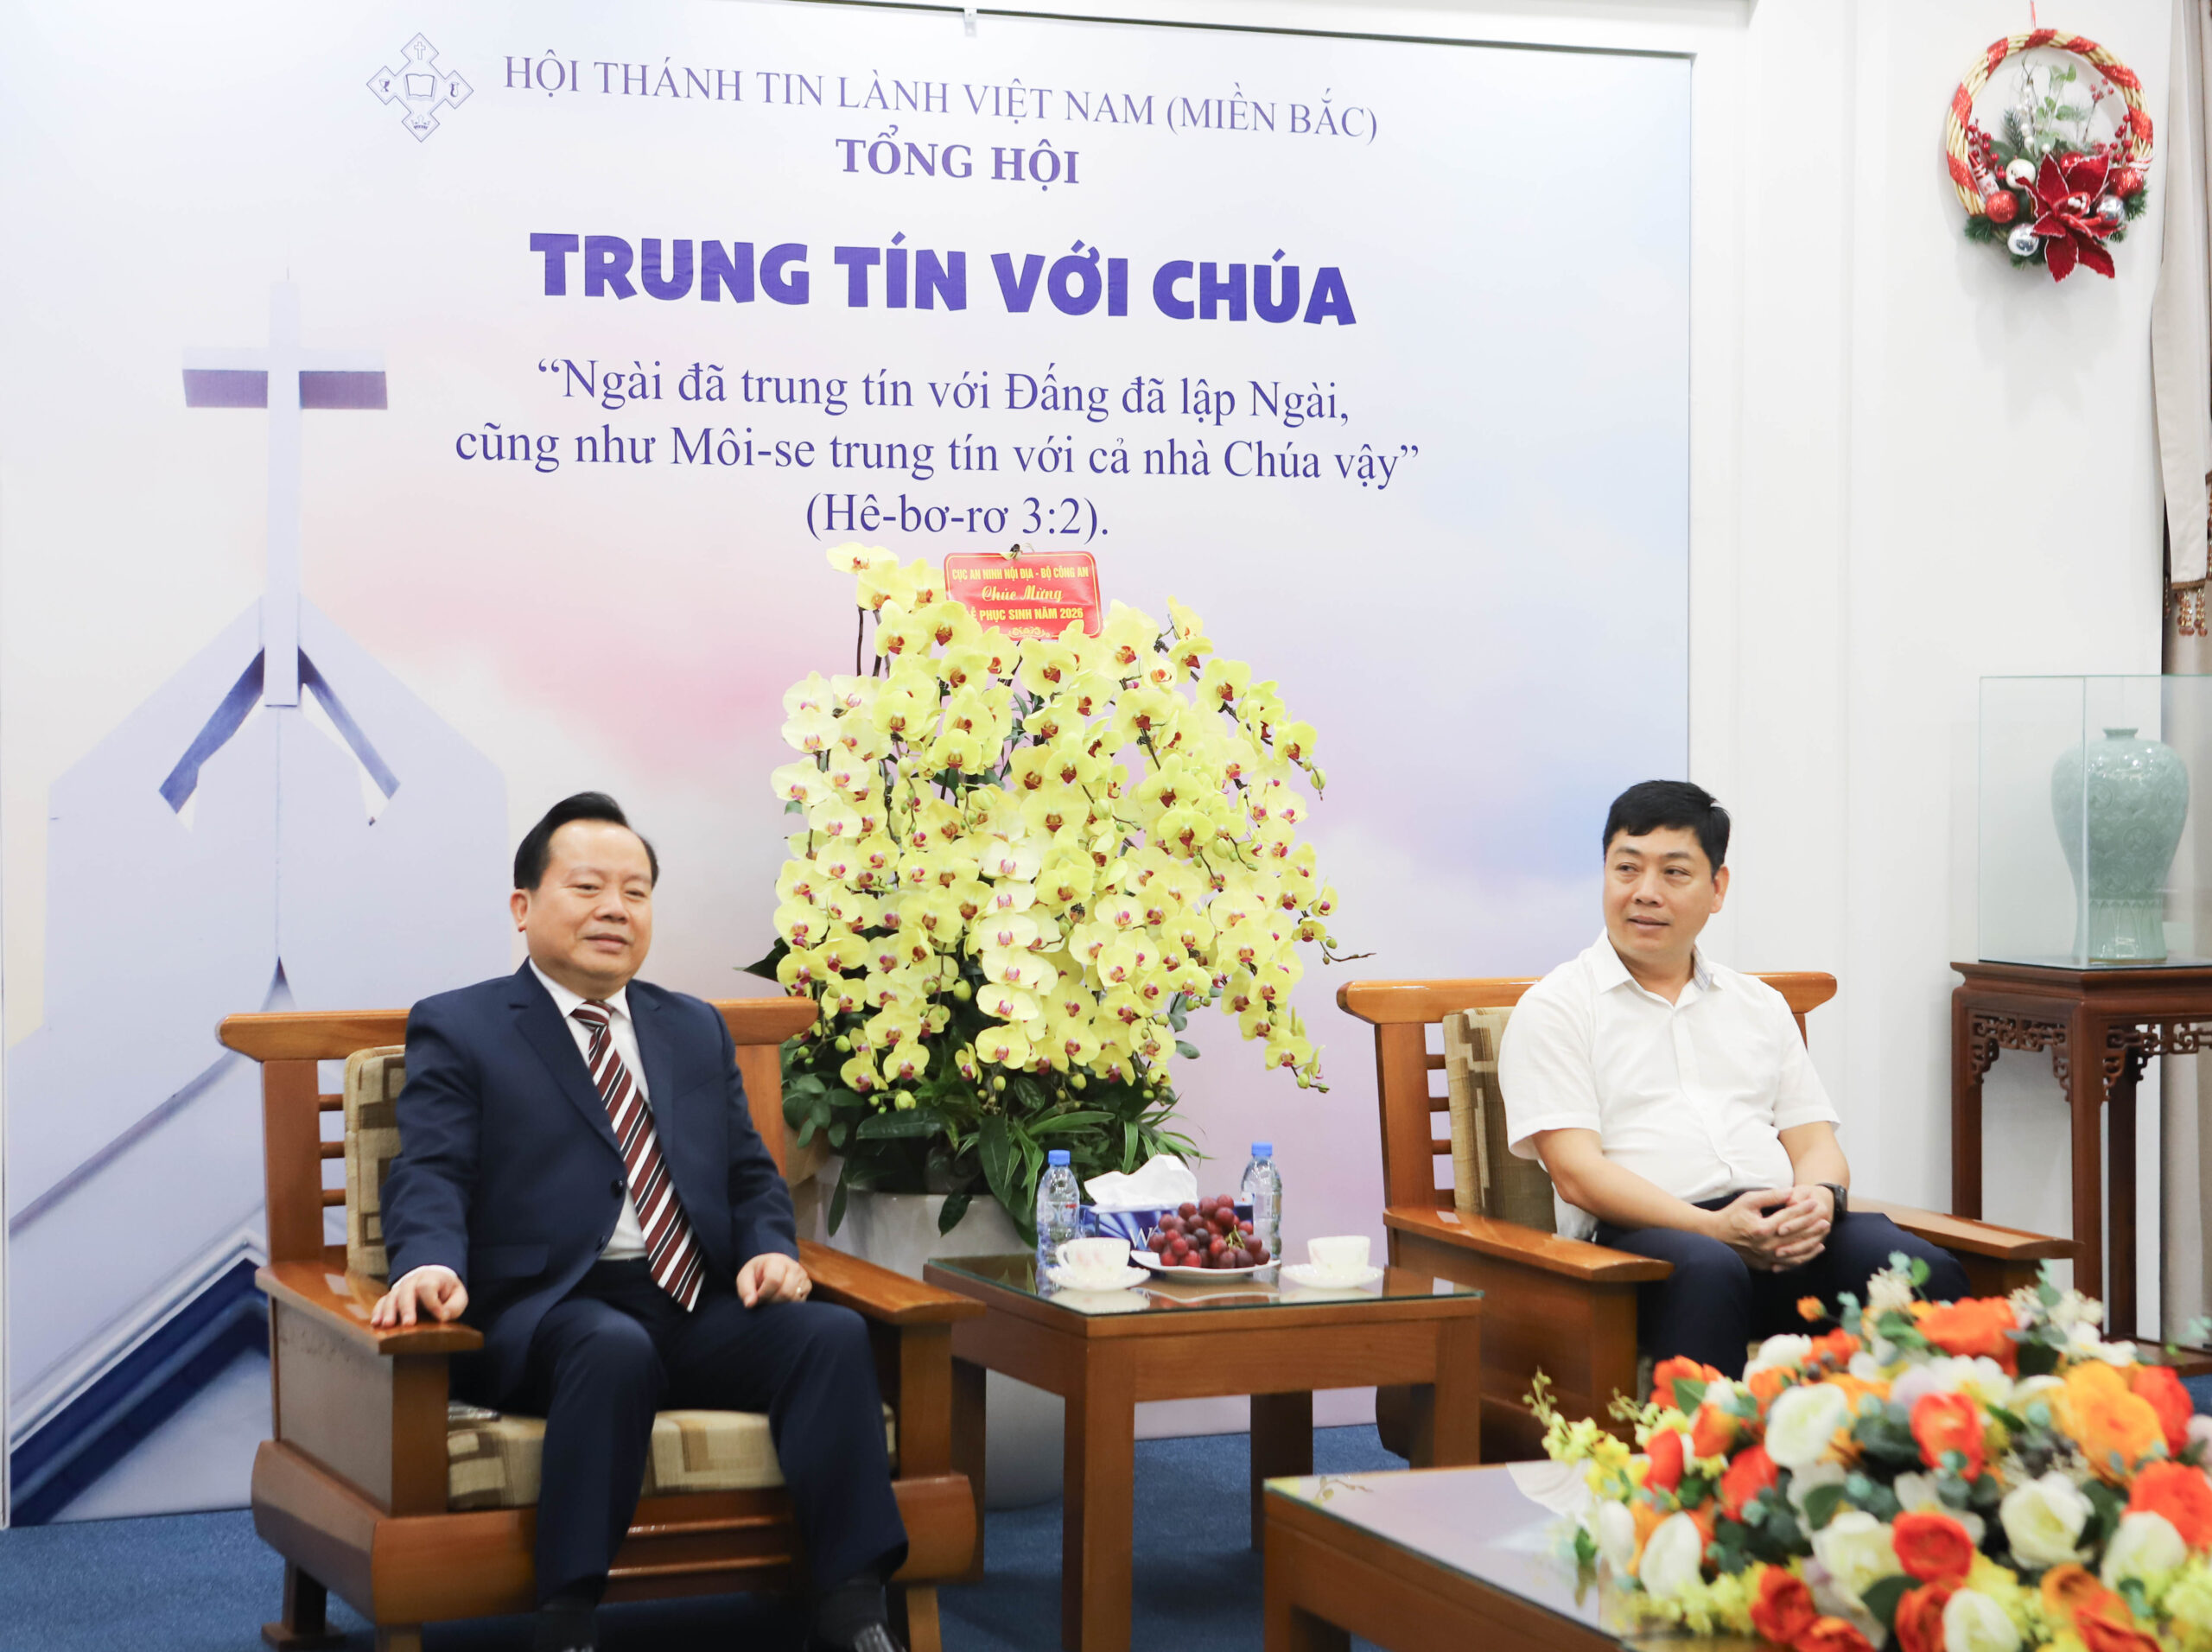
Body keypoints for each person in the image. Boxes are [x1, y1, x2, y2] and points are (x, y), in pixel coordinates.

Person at [371, 792, 907, 1652]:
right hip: (549, 1310)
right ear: (522, 907)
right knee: (611, 1347)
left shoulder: (691, 1027)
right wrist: (425, 1263)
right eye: (587, 887)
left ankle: (853, 1609)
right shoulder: (463, 1025)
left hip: (690, 1300)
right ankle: (568, 1618)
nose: (614, 909)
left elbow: (749, 1174)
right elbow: (431, 1169)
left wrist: (769, 1250)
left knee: (828, 1335)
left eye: (635, 891)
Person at [1499, 778, 1967, 1378]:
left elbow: (1815, 1145)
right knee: (1710, 1266)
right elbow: (1577, 1175)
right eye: (1627, 868)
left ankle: (1909, 1437)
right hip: (1641, 1248)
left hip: (1776, 1229)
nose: (1645, 892)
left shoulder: (1758, 1004)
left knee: (1920, 1271)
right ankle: (1698, 1441)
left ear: (1717, 888)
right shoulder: (1557, 1007)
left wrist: (1819, 1200)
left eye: (1674, 873)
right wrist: (1714, 1228)